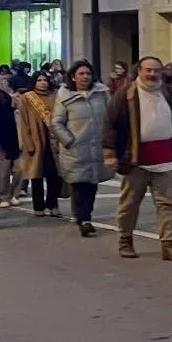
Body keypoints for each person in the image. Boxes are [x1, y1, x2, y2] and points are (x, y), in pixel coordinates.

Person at [103, 56, 172, 262]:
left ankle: (169, 244)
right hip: (135, 158)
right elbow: (110, 123)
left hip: (166, 158)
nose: (152, 74)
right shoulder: (125, 93)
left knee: (168, 204)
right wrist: (109, 153)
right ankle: (125, 239)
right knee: (129, 204)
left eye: (156, 70)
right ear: (139, 71)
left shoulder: (169, 92)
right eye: (148, 70)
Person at [51, 61, 112, 236]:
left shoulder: (102, 93)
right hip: (76, 148)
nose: (85, 77)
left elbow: (111, 116)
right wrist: (69, 141)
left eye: (88, 73)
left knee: (92, 184)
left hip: (98, 147)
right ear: (73, 76)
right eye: (81, 74)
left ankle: (83, 215)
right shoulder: (64, 96)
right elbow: (56, 122)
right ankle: (85, 219)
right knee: (79, 184)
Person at [17, 73, 62, 217]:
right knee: (36, 175)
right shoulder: (27, 98)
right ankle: (38, 206)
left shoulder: (55, 96)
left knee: (54, 174)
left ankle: (53, 204)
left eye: (45, 80)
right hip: (36, 140)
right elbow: (23, 122)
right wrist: (27, 143)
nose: (43, 83)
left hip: (54, 141)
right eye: (39, 80)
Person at [0, 79, 19, 207]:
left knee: (13, 169)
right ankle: (4, 196)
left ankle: (8, 195)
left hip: (9, 136)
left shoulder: (5, 96)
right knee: (3, 170)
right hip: (4, 137)